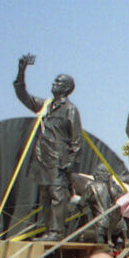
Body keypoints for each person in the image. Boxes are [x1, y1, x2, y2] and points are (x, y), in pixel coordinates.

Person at [14, 53, 82, 240]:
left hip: (58, 161)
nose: (54, 83)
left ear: (66, 88)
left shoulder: (70, 109)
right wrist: (21, 71)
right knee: (45, 197)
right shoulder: (45, 106)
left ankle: (56, 232)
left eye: (58, 82)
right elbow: (22, 95)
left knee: (57, 196)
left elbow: (77, 139)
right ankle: (48, 230)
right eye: (54, 81)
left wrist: (71, 163)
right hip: (43, 159)